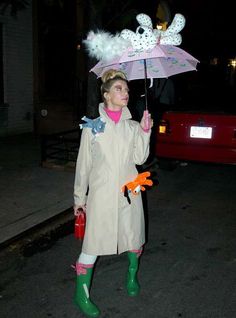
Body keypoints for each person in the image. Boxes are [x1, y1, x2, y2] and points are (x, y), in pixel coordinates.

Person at [73, 69, 153, 317]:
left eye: (127, 89)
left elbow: (140, 158)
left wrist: (145, 131)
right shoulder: (93, 127)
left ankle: (131, 276)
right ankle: (81, 295)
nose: (125, 93)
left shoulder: (131, 127)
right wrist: (79, 200)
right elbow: (83, 165)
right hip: (101, 195)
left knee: (134, 238)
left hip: (130, 191)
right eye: (119, 89)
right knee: (92, 244)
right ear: (106, 94)